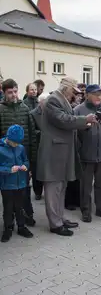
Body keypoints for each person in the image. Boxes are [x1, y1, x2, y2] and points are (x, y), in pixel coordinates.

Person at [36, 77, 97, 236]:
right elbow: (63, 120)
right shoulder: (53, 100)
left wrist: (86, 124)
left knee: (61, 187)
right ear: (66, 88)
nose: (75, 95)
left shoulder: (60, 99)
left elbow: (68, 122)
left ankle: (60, 218)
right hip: (54, 152)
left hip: (61, 152)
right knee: (53, 189)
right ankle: (55, 224)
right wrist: (85, 120)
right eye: (73, 91)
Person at [74, 84, 101, 222]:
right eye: (96, 94)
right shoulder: (78, 110)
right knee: (86, 186)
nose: (99, 97)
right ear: (87, 95)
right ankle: (86, 210)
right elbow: (73, 132)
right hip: (86, 154)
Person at [0, 79, 36, 226]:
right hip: (6, 156)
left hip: (23, 154)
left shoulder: (24, 108)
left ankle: (26, 215)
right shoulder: (0, 109)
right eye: (10, 92)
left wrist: (32, 159)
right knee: (9, 191)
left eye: (15, 91)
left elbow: (32, 132)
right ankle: (10, 219)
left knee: (24, 187)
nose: (14, 95)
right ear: (4, 92)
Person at [0, 125, 33, 242]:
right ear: (8, 138)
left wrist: (26, 166)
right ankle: (8, 228)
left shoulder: (21, 148)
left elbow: (26, 160)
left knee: (19, 206)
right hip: (7, 184)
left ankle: (21, 226)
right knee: (8, 207)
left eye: (18, 143)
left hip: (21, 183)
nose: (15, 145)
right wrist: (8, 169)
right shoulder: (1, 149)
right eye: (14, 142)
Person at [29, 92, 50, 200]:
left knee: (48, 169)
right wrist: (43, 133)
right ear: (40, 103)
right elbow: (32, 130)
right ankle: (38, 191)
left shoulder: (51, 112)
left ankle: (48, 191)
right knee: (37, 169)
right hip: (38, 144)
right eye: (45, 103)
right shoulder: (32, 113)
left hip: (49, 145)